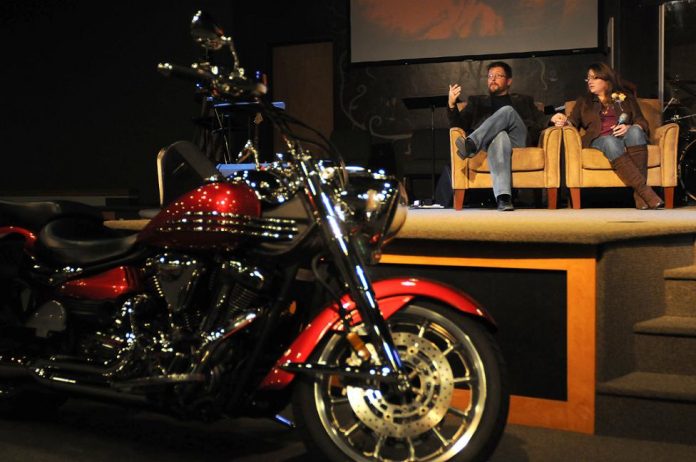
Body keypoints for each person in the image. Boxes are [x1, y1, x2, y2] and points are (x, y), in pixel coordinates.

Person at [550, 62, 664, 209]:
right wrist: (563, 121)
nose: (590, 81)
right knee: (610, 141)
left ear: (606, 80)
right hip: (600, 140)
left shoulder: (625, 98)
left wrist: (629, 127)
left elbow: (641, 121)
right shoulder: (584, 102)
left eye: (594, 78)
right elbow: (572, 122)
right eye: (588, 78)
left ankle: (640, 197)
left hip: (624, 138)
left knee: (636, 131)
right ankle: (645, 192)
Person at [448, 61, 550, 211]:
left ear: (509, 81)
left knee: (507, 110)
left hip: (517, 140)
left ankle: (471, 145)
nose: (493, 79)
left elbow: (538, 118)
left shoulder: (523, 100)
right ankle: (504, 198)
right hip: (491, 144)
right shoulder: (476, 102)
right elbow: (459, 125)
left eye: (498, 76)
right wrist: (451, 104)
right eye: (490, 76)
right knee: (500, 136)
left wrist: (552, 119)